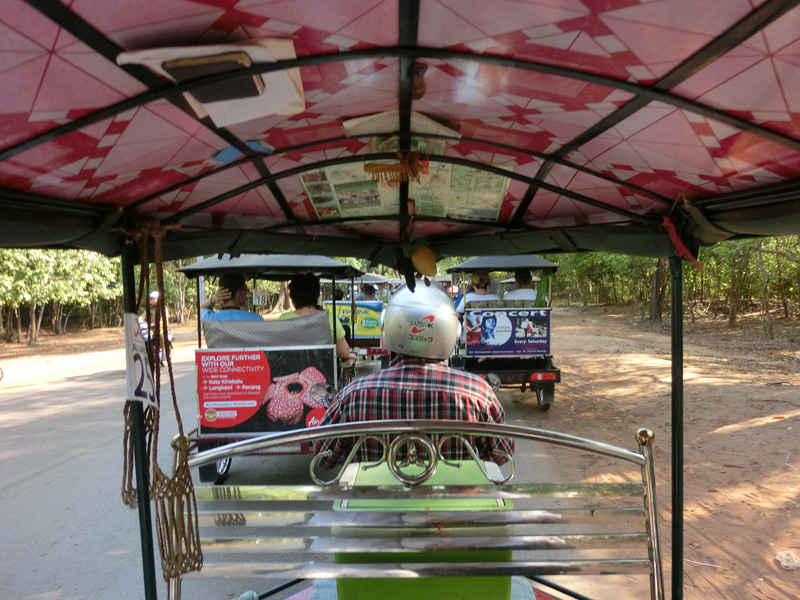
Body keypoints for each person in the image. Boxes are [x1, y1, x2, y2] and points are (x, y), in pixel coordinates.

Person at [315, 281, 513, 470]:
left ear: (387, 327)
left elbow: (324, 458)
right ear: (453, 331)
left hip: (375, 494)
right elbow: (502, 454)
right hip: (452, 494)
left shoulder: (353, 395)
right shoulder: (478, 393)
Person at [279, 273, 356, 360]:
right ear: (317, 295)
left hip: (292, 367)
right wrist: (347, 355)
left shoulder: (283, 319)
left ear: (292, 296)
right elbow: (344, 351)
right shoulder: (329, 318)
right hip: (324, 367)